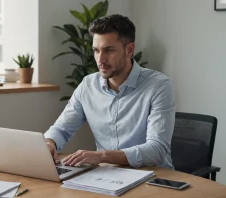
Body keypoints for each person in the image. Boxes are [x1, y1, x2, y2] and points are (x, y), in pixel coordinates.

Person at [44, 14, 175, 169]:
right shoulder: (88, 85)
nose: (100, 59)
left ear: (129, 50)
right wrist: (49, 143)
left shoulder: (158, 86)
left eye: (108, 50)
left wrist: (102, 156)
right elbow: (61, 129)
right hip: (106, 178)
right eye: (96, 50)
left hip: (153, 178)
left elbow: (156, 150)